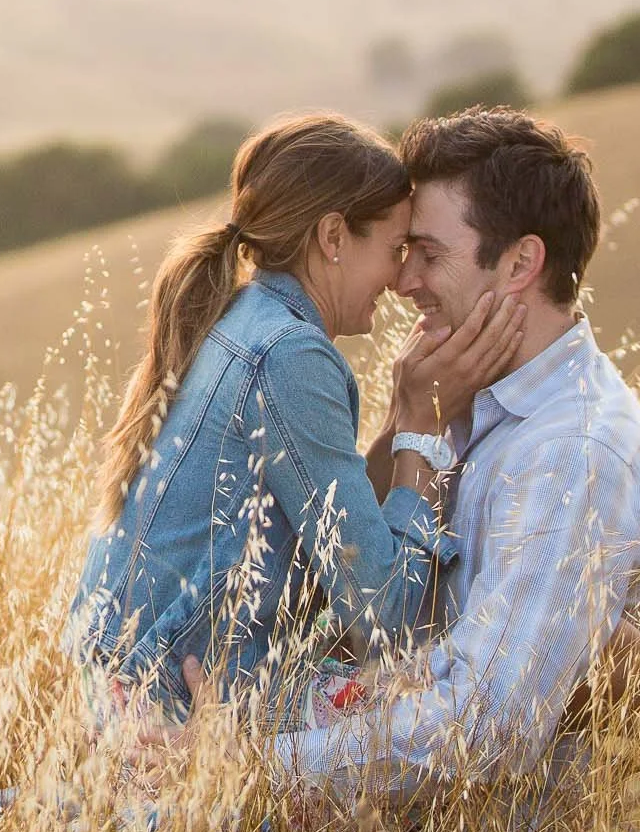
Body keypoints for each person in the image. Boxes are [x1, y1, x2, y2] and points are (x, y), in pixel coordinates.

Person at [156, 108, 640, 807]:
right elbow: (360, 595)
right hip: (344, 777)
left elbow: (489, 725)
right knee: (27, 817)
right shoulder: (468, 398)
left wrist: (248, 765)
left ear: (519, 263)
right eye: (403, 250)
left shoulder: (574, 454)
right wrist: (405, 420)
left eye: (430, 254)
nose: (403, 279)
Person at [72, 111, 523, 733]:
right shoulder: (289, 354)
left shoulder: (248, 319)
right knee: (435, 715)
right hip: (171, 716)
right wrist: (422, 429)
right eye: (393, 250)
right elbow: (384, 620)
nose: (398, 281)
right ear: (333, 237)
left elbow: (326, 523)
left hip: (131, 686)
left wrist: (398, 415)